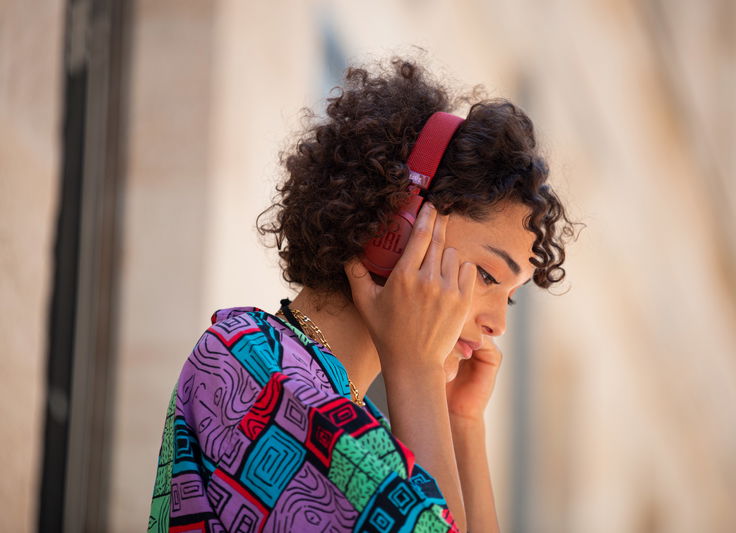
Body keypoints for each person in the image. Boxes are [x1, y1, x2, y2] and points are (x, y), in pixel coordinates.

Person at [148, 57, 573, 532]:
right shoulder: (250, 364)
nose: (499, 324)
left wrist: (461, 422)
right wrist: (417, 369)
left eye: (509, 297)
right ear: (397, 231)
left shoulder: (356, 419)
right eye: (489, 277)